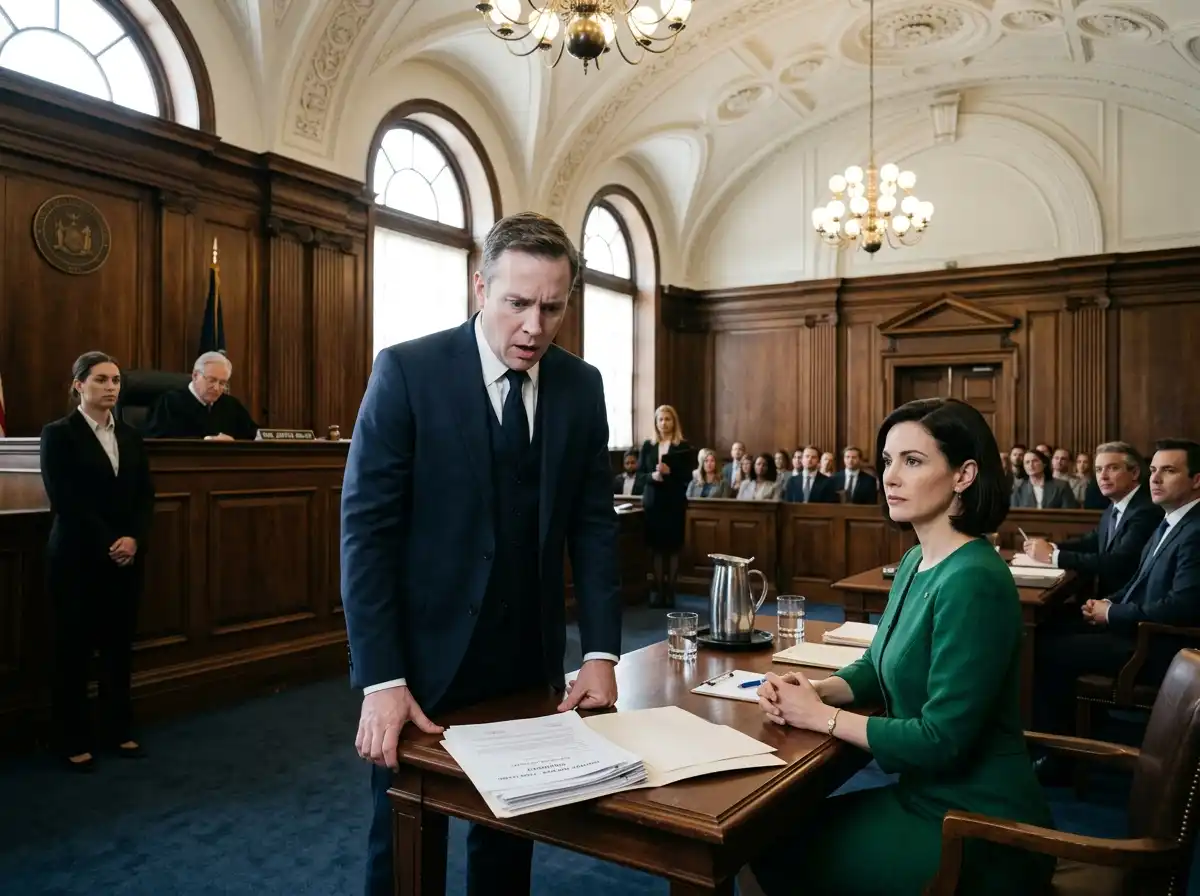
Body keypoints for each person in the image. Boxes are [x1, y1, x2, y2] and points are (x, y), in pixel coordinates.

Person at [340, 212, 622, 896]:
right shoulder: (407, 371)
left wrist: (601, 651)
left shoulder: (581, 386)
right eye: (517, 303)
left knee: (509, 842)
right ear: (480, 288)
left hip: (528, 657)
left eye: (552, 308)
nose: (534, 327)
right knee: (404, 845)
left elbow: (592, 526)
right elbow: (366, 533)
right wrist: (381, 678)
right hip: (423, 663)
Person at [742, 398, 1054, 896]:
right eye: (887, 461)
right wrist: (818, 690)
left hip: (978, 824)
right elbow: (877, 662)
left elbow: (941, 740)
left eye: (913, 461)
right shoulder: (914, 560)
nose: (889, 476)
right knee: (758, 835)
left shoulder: (974, 578)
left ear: (963, 475)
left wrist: (820, 718)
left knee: (759, 844)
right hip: (924, 797)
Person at [1032, 439, 1200, 752]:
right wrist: (1108, 604)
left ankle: (1058, 754)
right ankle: (1078, 730)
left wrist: (1113, 613)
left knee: (1043, 649)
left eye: (1169, 471)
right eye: (1153, 470)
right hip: (1137, 629)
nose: (1156, 478)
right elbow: (1139, 579)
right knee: (1047, 628)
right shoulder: (1171, 520)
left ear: (1196, 480)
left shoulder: (1195, 530)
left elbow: (1183, 607)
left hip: (1158, 646)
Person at [39, 351, 155, 772]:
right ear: (78, 386)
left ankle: (117, 730)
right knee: (73, 650)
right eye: (101, 380)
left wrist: (134, 539)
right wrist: (111, 541)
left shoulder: (130, 435)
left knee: (117, 649)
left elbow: (144, 495)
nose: (111, 387)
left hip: (125, 559)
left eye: (117, 381)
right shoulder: (59, 434)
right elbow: (66, 500)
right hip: (78, 557)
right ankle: (70, 738)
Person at [1022, 441, 1162, 598]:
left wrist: (1053, 556)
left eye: (1113, 468)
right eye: (1099, 469)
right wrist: (1052, 547)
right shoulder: (1114, 506)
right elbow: (1092, 542)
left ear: (1135, 472)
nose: (1103, 476)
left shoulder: (1145, 510)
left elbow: (1118, 562)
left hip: (1126, 605)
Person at [635, 404, 692, 608]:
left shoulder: (682, 446)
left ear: (673, 422)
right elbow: (639, 476)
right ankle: (658, 591)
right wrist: (652, 475)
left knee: (673, 548)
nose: (664, 423)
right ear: (656, 423)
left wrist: (670, 473)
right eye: (660, 419)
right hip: (653, 502)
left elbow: (687, 477)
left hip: (674, 502)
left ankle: (670, 592)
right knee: (657, 549)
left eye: (668, 419)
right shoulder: (648, 446)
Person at [143, 351, 259, 440]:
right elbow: (156, 442)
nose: (217, 388)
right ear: (195, 376)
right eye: (212, 380)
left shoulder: (231, 405)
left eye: (222, 383)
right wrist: (206, 441)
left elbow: (253, 436)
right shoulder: (169, 403)